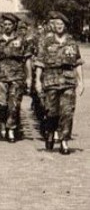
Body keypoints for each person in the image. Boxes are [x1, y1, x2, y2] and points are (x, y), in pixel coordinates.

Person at [33, 11, 84, 154]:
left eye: (61, 24)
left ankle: (64, 141)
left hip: (68, 81)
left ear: (65, 26)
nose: (59, 26)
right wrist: (37, 81)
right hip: (51, 81)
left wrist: (81, 82)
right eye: (56, 24)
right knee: (51, 112)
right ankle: (50, 133)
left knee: (67, 112)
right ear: (53, 26)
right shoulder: (46, 42)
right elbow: (40, 63)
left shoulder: (72, 43)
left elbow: (77, 63)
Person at [0, 13, 32, 142]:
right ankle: (2, 126)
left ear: (14, 26)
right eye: (5, 24)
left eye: (9, 25)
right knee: (2, 103)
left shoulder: (22, 40)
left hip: (17, 76)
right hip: (1, 76)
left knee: (14, 104)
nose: (7, 27)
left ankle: (11, 129)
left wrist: (29, 77)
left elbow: (27, 59)